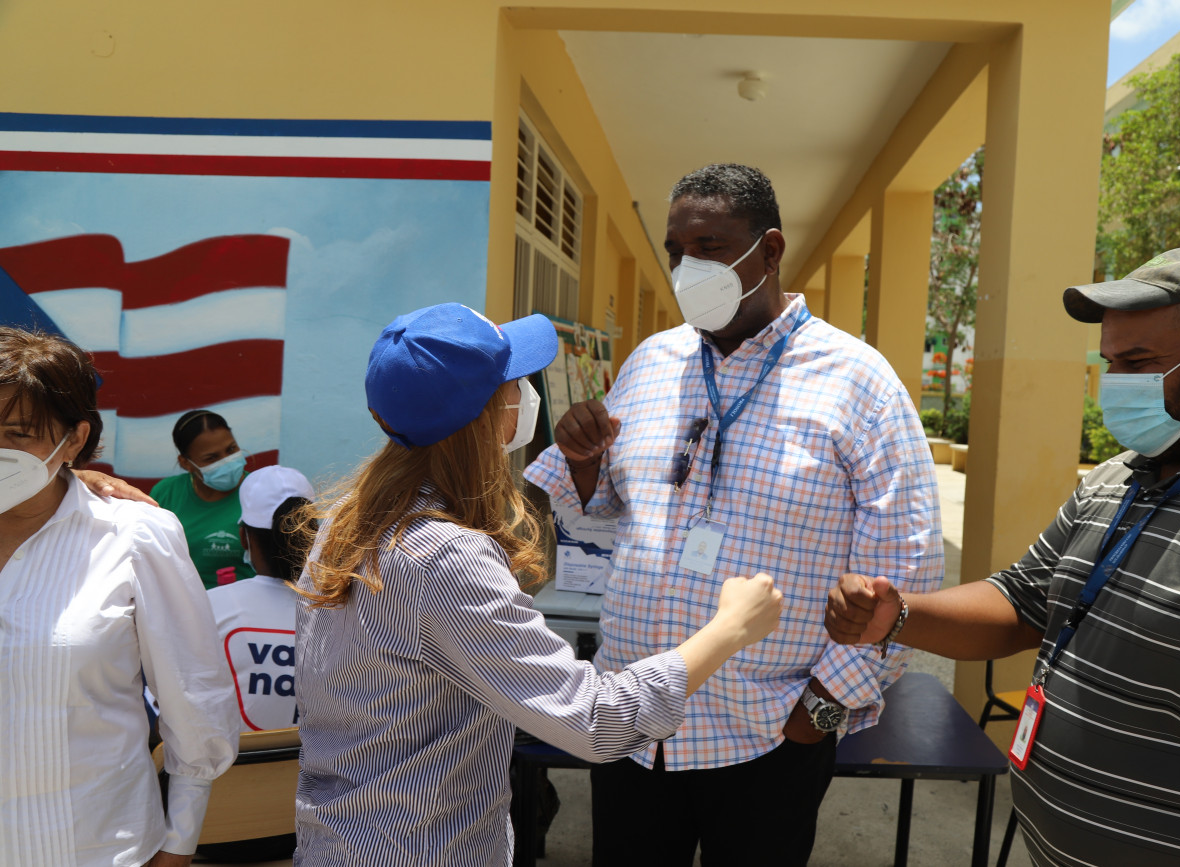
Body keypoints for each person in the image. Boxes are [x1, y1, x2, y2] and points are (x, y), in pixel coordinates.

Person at [824, 246, 1180, 866]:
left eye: (1137, 362)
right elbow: (1023, 601)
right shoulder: (1118, 480)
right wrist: (900, 615)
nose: (1116, 384)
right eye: (1109, 363)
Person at [524, 163, 943, 865]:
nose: (688, 267)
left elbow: (905, 566)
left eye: (710, 246)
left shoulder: (859, 382)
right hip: (632, 722)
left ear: (769, 250)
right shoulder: (651, 363)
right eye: (676, 251)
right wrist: (583, 460)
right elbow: (604, 504)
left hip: (765, 735)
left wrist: (821, 711)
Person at [292, 303, 783, 866]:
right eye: (515, 383)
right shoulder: (446, 557)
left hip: (340, 840)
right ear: (484, 414)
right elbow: (594, 722)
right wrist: (730, 628)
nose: (527, 395)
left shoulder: (348, 521)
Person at [0, 327, 239, 867]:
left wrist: (178, 844)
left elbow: (194, 703)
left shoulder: (133, 537)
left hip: (96, 849)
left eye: (19, 433)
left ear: (74, 440)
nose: (1, 450)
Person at [207, 464, 316, 733]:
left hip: (235, 760)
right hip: (326, 760)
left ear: (244, 538)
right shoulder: (351, 606)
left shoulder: (208, 606)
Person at [151, 409, 255, 588]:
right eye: (211, 458)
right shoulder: (165, 493)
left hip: (246, 602)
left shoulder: (259, 491)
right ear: (186, 463)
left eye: (231, 449)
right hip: (182, 602)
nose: (227, 461)